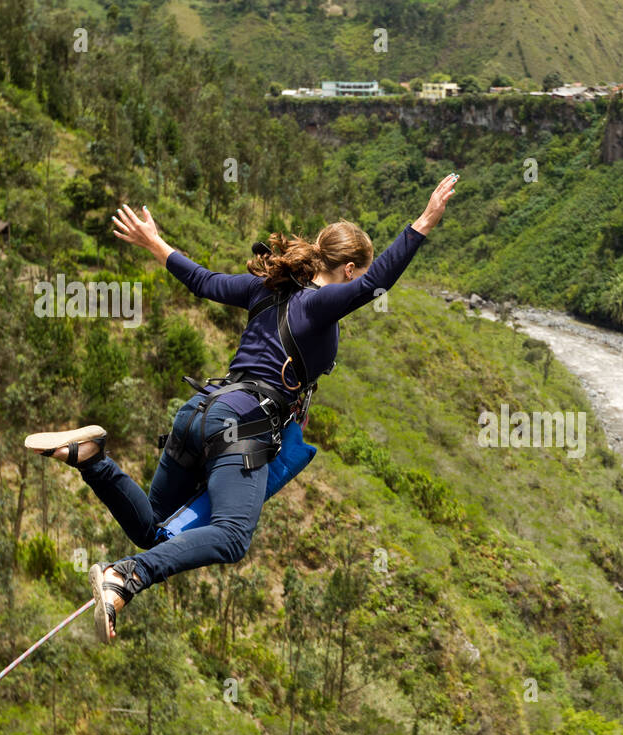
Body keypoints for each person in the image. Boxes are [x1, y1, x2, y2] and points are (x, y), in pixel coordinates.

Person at [24, 173, 460, 641]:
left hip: (199, 411)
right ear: (349, 268)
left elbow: (203, 281)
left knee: (154, 530)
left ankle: (92, 460)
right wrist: (425, 221)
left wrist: (155, 242)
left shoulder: (266, 288)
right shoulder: (322, 303)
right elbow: (376, 284)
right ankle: (126, 576)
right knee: (232, 537)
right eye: (356, 273)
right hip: (241, 424)